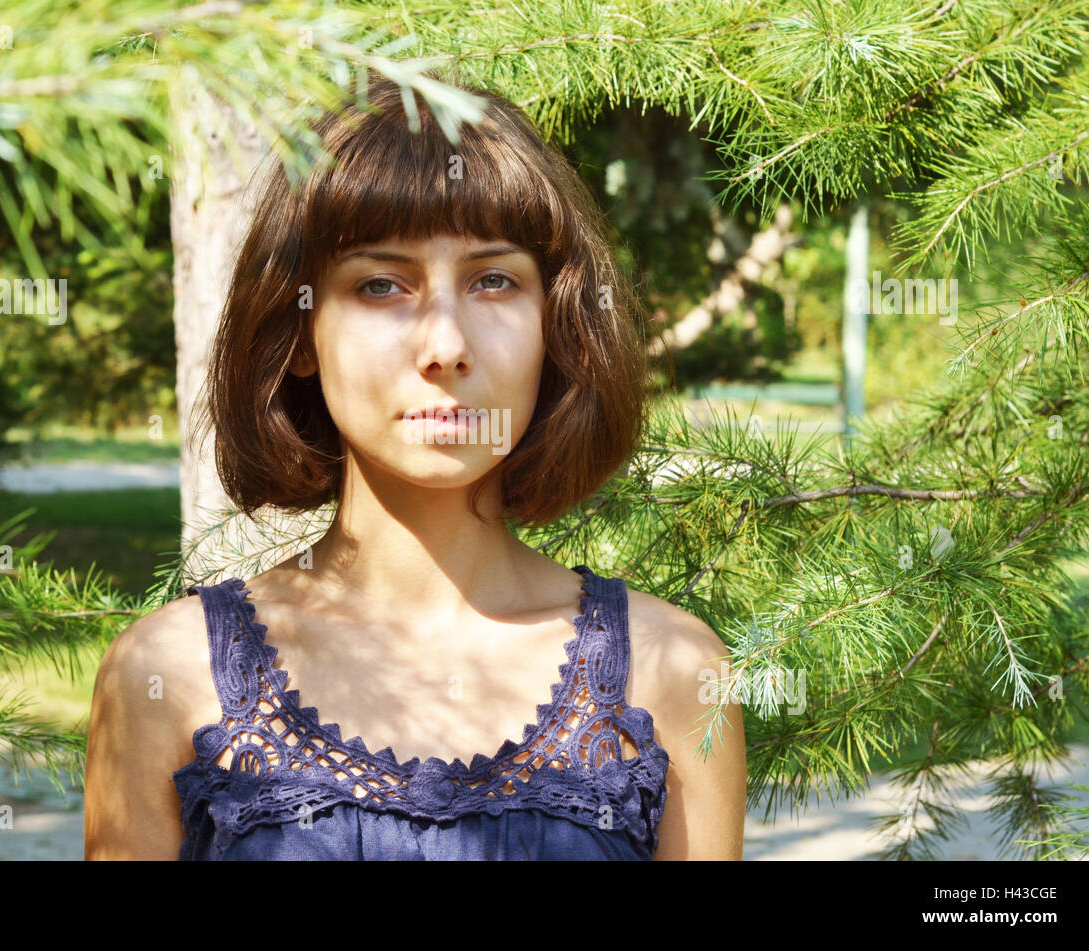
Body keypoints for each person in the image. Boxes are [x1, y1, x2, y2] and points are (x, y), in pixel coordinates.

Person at [84, 70, 746, 860]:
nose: (445, 346)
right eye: (381, 285)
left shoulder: (674, 674)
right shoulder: (166, 676)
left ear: (557, 326)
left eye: (494, 280)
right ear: (299, 333)